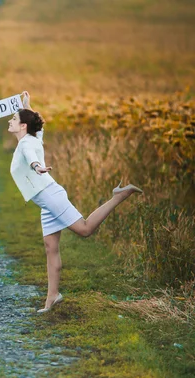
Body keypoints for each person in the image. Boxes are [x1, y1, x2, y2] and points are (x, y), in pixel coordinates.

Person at [8, 91, 142, 312]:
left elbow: (31, 156)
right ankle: (52, 296)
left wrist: (36, 166)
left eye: (14, 119)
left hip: (50, 196)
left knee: (85, 229)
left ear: (23, 126)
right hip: (47, 200)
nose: (10, 121)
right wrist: (28, 106)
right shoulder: (31, 138)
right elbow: (38, 130)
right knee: (51, 247)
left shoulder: (26, 145)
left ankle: (118, 196)